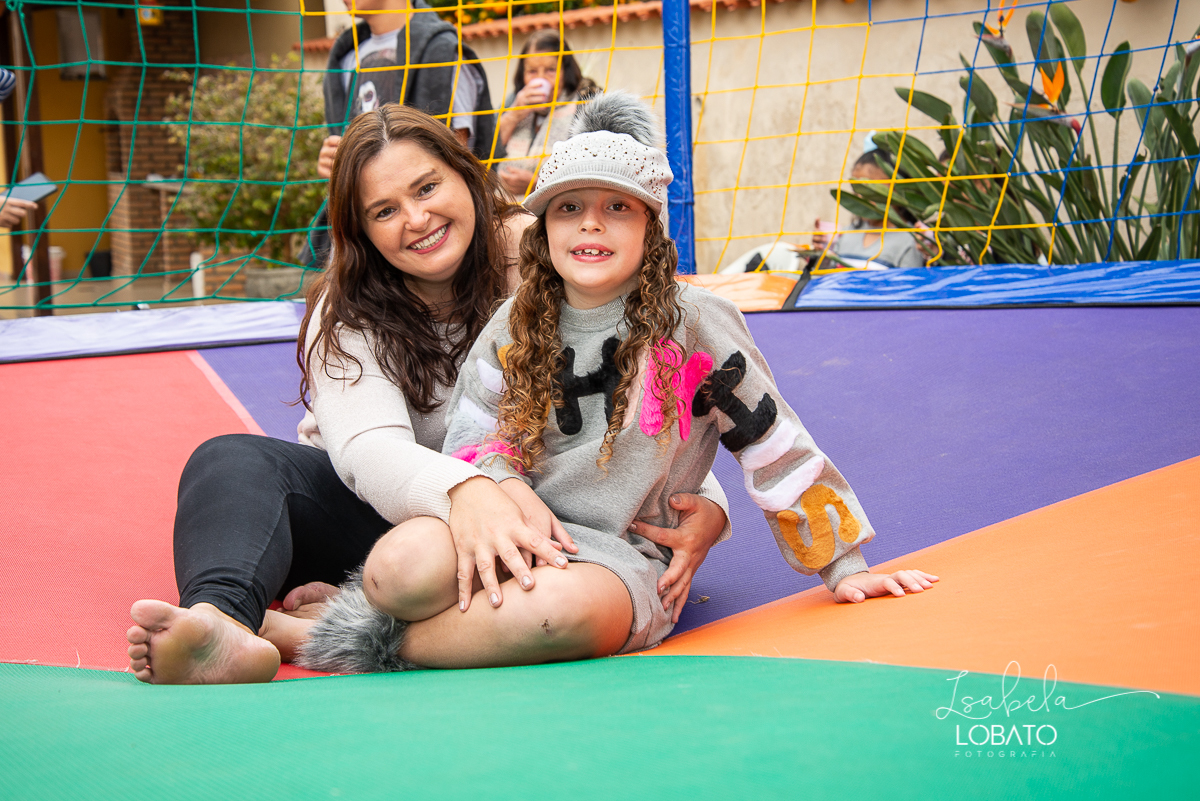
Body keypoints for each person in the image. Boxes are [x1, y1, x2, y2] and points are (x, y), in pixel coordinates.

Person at [294, 94, 938, 674]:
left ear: (650, 226)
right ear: (543, 227)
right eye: (569, 208)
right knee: (395, 572)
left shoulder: (695, 327)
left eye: (616, 208)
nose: (591, 225)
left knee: (558, 617)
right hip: (525, 522)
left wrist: (843, 565)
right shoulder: (517, 321)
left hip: (623, 551)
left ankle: (340, 640)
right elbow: (474, 433)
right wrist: (509, 488)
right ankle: (385, 616)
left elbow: (775, 444)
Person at [124, 103, 730, 685]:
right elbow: (369, 450)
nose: (415, 220)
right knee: (230, 459)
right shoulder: (345, 311)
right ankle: (221, 624)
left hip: (540, 512)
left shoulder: (549, 253)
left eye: (425, 188)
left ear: (465, 177)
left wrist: (706, 502)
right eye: (383, 211)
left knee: (553, 590)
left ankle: (328, 625)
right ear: (359, 230)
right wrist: (468, 491)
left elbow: (649, 386)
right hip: (389, 517)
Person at [303, 0, 503, 266]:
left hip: (438, 248)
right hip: (370, 248)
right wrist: (337, 166)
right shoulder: (345, 57)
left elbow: (462, 159)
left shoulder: (442, 52)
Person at [494, 30, 599, 199]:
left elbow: (592, 170)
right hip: (503, 209)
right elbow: (484, 152)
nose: (541, 79)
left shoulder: (585, 104)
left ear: (566, 72)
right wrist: (513, 115)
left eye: (551, 70)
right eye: (532, 72)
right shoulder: (513, 102)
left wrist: (538, 184)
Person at [812, 140, 927, 269]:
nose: (861, 196)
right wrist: (821, 254)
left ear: (900, 190)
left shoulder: (910, 242)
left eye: (870, 189)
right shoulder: (846, 235)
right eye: (856, 189)